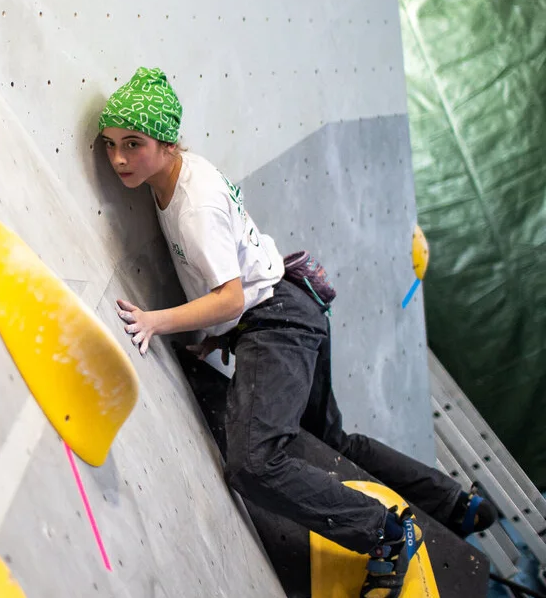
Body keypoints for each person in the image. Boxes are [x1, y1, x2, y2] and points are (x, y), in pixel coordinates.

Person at [97, 67, 495, 597]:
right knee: (332, 439)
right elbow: (234, 278)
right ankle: (455, 505)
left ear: (167, 143)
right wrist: (218, 334)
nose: (119, 159)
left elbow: (233, 295)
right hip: (289, 302)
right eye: (109, 145)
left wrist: (155, 321)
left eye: (133, 144)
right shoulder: (179, 174)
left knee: (254, 462)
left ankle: (386, 534)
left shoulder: (193, 205)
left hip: (276, 320)